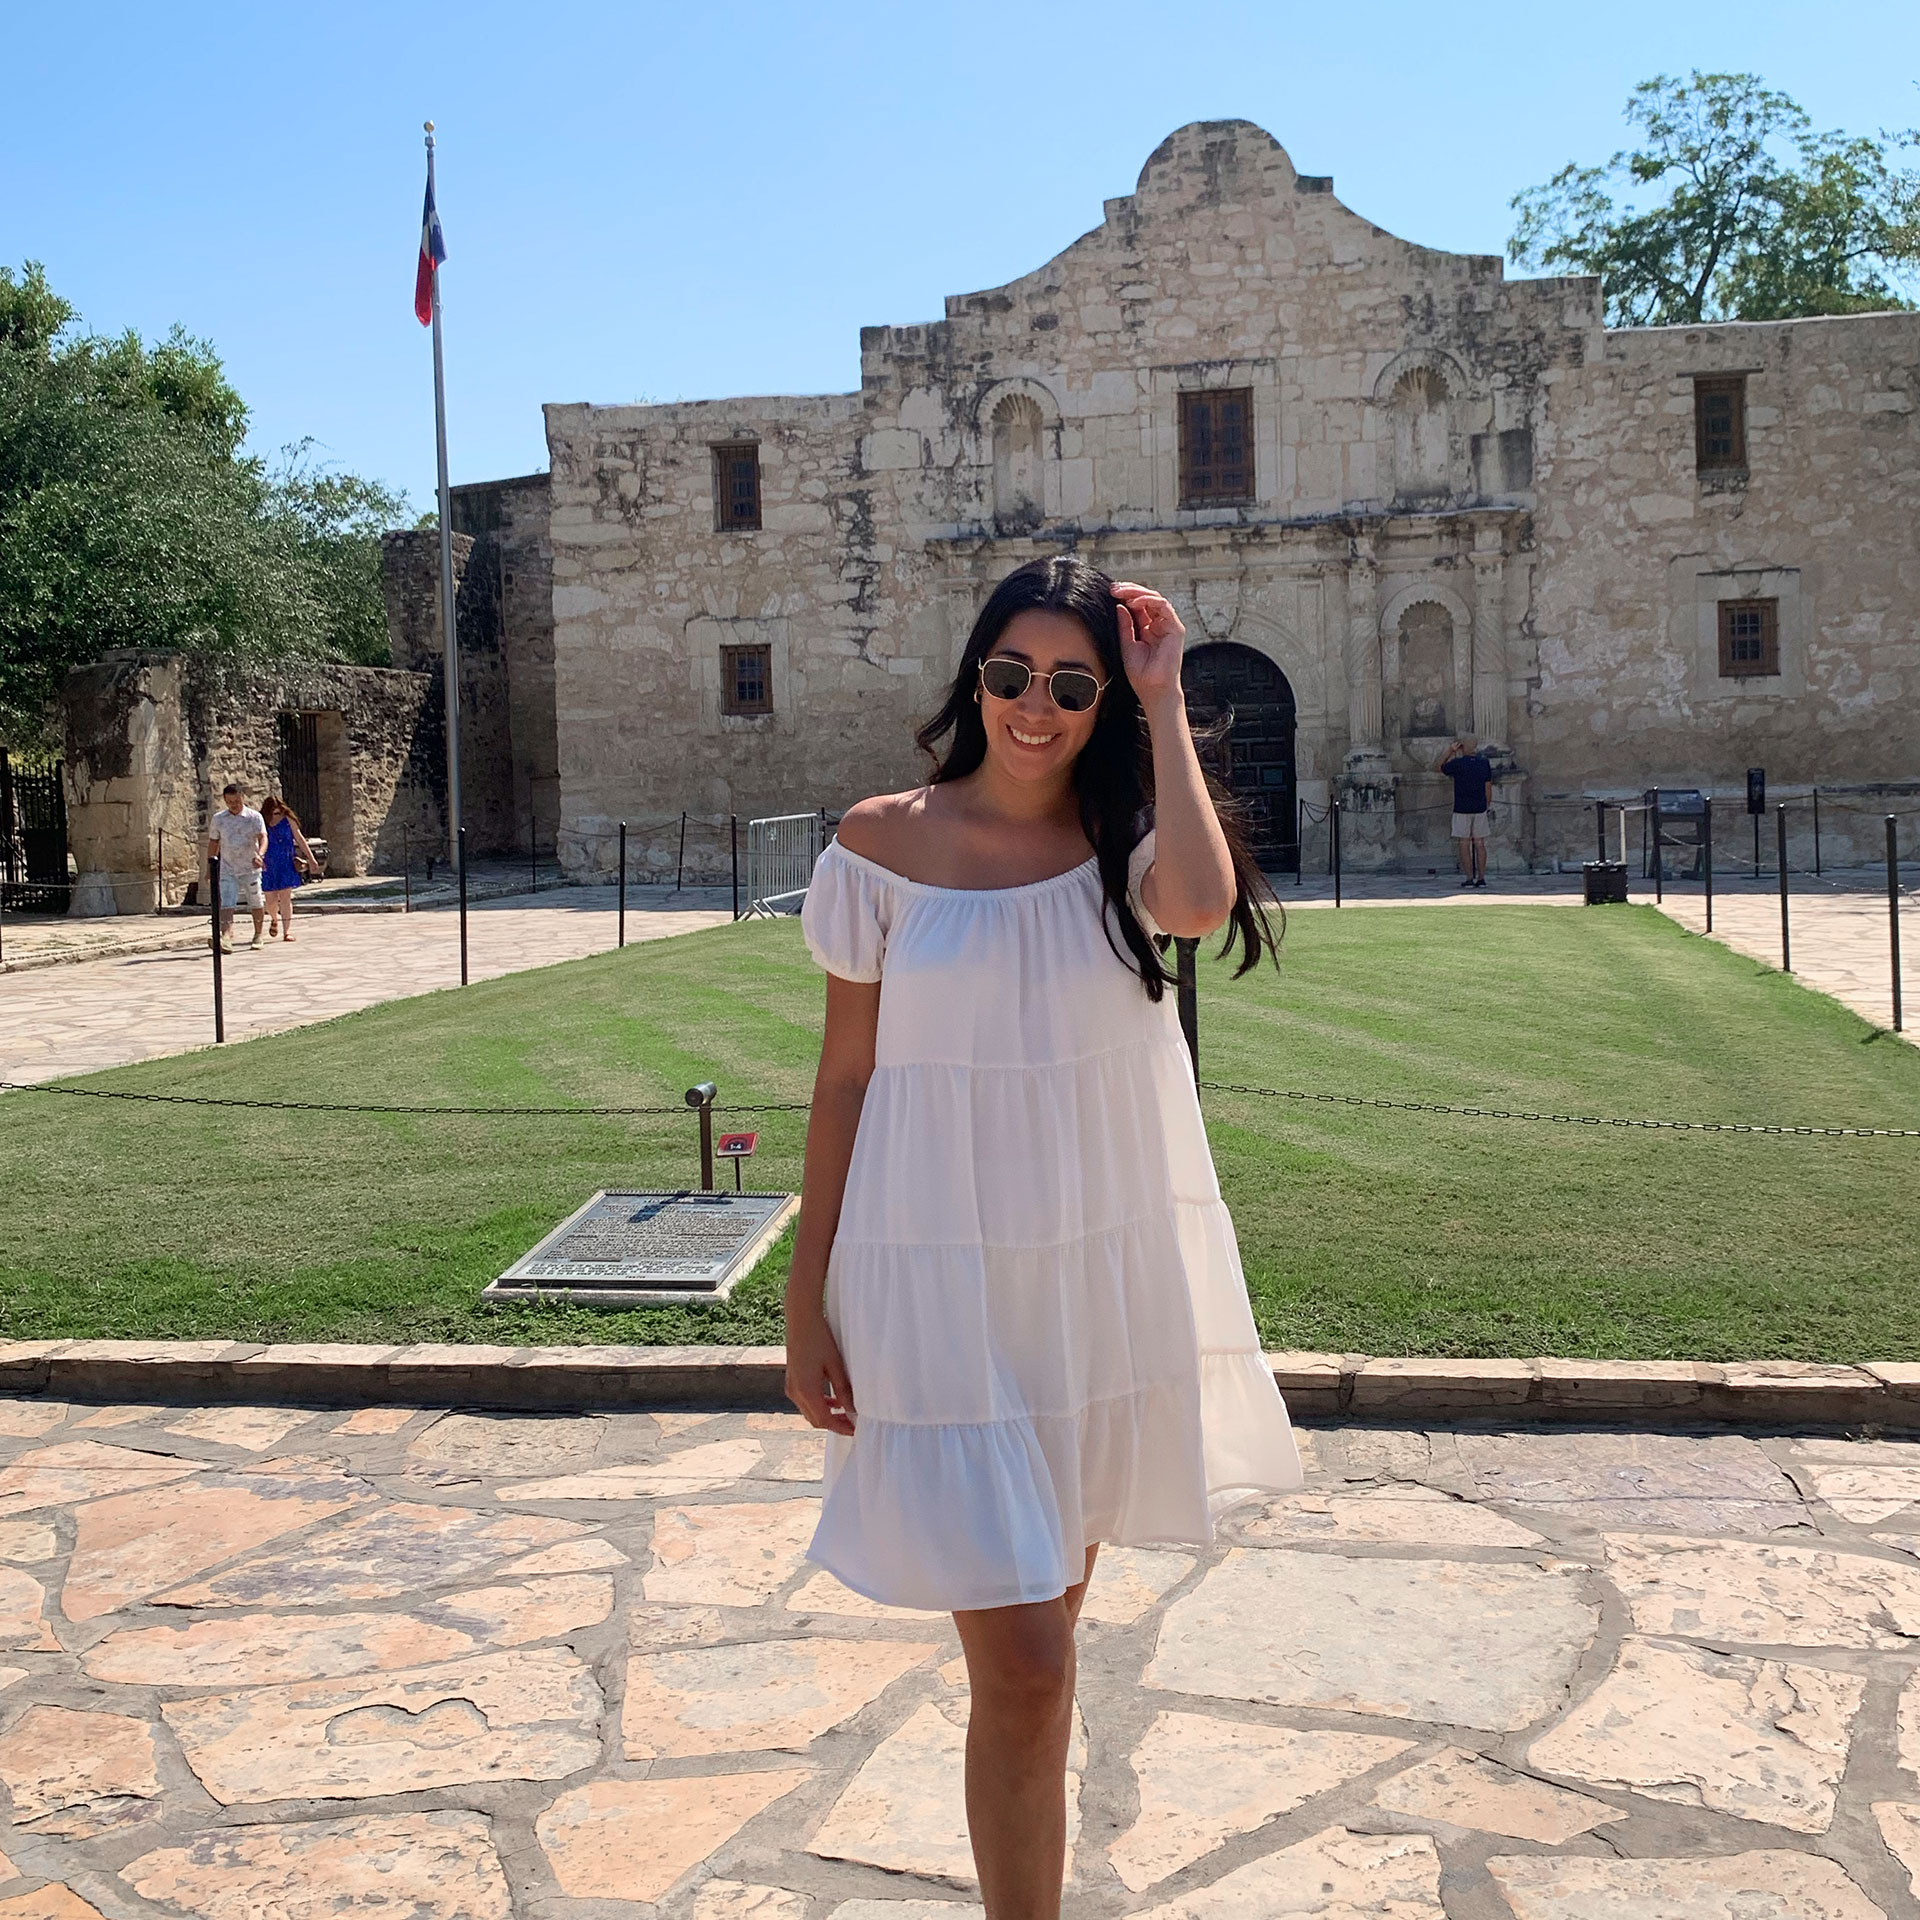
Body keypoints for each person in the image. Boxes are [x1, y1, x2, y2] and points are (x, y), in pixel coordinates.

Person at [787, 555, 1302, 1919]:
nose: (1035, 705)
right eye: (1010, 674)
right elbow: (844, 1081)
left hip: (1091, 1284)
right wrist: (805, 1300)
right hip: (930, 1290)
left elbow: (1198, 907)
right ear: (974, 677)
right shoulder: (878, 844)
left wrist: (1163, 688)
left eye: (1070, 686)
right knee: (1023, 1665)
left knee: (1044, 1660)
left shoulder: (1123, 843)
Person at [207, 784, 267, 952]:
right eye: (229, 801)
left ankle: (258, 934)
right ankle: (225, 937)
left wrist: (260, 855)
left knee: (255, 901)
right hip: (228, 868)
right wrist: (209, 867)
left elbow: (263, 837)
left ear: (242, 797)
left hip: (250, 868)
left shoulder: (254, 817)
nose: (233, 804)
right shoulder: (219, 819)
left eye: (236, 800)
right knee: (227, 902)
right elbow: (213, 842)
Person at [259, 794, 322, 942]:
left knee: (286, 898)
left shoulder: (288, 820)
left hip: (286, 862)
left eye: (279, 812)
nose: (276, 815)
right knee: (270, 900)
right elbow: (256, 840)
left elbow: (299, 839)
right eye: (273, 812)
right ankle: (274, 919)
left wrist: (311, 859)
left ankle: (287, 931)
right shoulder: (262, 822)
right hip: (268, 863)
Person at [1439, 736, 1500, 887]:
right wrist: (1487, 804)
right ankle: (1481, 877)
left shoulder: (1458, 764)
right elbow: (1488, 786)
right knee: (1480, 843)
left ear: (1461, 747)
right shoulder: (1483, 763)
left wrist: (1450, 751)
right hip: (1479, 807)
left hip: (1462, 808)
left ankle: (1469, 877)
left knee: (1464, 843)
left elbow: (1440, 767)